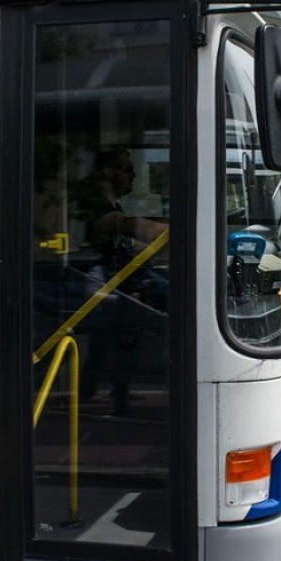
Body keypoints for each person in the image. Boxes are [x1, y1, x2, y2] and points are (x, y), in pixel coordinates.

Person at [70, 146, 169, 414]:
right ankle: (119, 396)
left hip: (113, 283)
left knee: (106, 340)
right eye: (127, 170)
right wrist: (178, 229)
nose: (134, 176)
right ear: (106, 172)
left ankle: (92, 389)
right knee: (131, 329)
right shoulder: (92, 203)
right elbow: (124, 225)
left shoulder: (113, 203)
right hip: (97, 287)